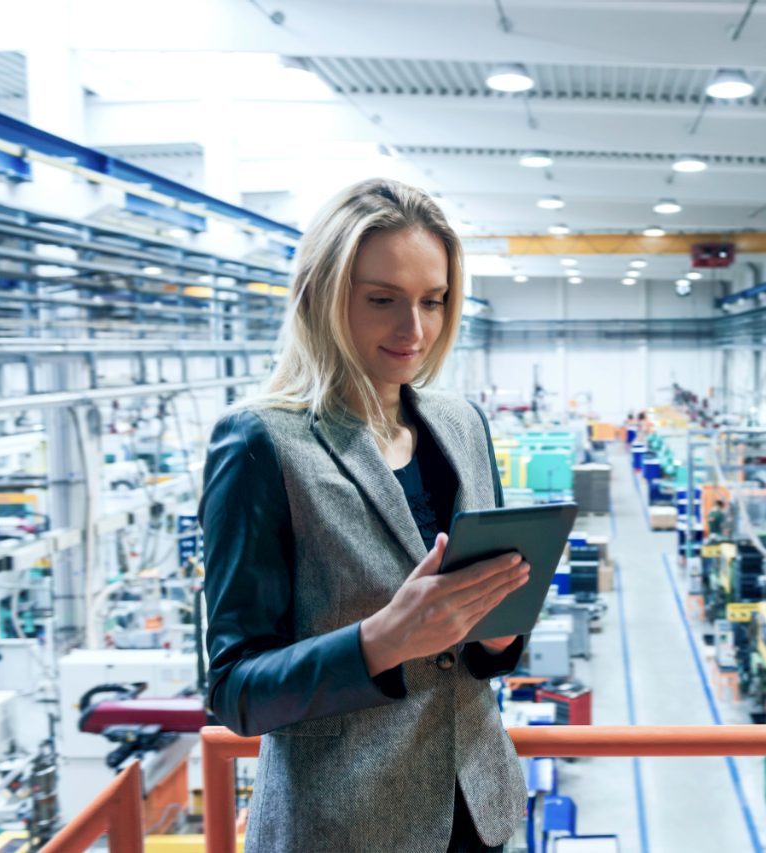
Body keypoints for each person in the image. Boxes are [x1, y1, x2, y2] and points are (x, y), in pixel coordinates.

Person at [199, 178, 528, 852]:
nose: (415, 330)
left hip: (478, 811)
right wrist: (380, 640)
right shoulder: (263, 441)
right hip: (344, 827)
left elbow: (467, 647)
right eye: (383, 300)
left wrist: (497, 633)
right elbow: (236, 691)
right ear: (322, 295)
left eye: (433, 302)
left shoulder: (461, 423)